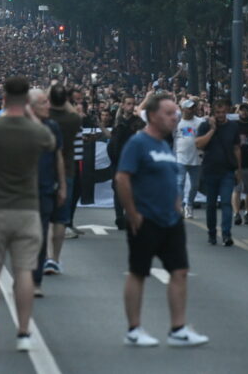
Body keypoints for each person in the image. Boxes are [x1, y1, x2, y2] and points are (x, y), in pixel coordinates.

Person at [115, 93, 209, 348]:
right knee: (138, 272)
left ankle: (178, 329)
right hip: (145, 219)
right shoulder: (138, 143)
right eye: (168, 113)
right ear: (153, 116)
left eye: (175, 113)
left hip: (170, 221)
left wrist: (177, 207)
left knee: (179, 271)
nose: (174, 117)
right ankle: (134, 329)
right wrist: (132, 212)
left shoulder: (165, 145)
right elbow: (122, 178)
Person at [0, 76, 55, 353]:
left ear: (4, 98)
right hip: (26, 207)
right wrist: (30, 116)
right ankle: (23, 332)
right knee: (24, 271)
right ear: (27, 101)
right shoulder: (36, 132)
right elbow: (50, 142)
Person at [28, 88, 67, 298]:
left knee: (41, 234)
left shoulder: (52, 126)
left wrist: (62, 185)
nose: (48, 106)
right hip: (20, 191)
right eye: (43, 102)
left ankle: (35, 280)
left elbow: (58, 156)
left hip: (44, 188)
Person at [44, 84, 81, 275]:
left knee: (44, 216)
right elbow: (74, 112)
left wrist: (50, 90)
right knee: (60, 218)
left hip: (44, 169)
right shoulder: (73, 120)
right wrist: (65, 97)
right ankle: (55, 259)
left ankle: (45, 256)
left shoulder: (44, 118)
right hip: (66, 171)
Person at [195, 98, 240, 246]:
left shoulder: (233, 126)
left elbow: (236, 148)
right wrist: (212, 130)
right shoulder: (205, 125)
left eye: (223, 112)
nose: (220, 115)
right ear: (213, 113)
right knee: (211, 204)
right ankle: (212, 233)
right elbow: (199, 144)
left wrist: (238, 169)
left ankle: (226, 234)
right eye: (217, 112)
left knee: (226, 202)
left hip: (227, 170)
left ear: (227, 111)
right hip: (210, 170)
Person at [109, 94, 145, 228]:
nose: (131, 106)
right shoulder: (117, 122)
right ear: (123, 105)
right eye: (128, 103)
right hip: (118, 161)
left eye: (133, 104)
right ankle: (119, 216)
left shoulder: (138, 122)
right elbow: (113, 142)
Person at [174, 98, 204, 220]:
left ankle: (189, 204)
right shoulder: (176, 122)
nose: (191, 110)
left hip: (196, 158)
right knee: (180, 182)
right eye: (189, 108)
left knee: (195, 185)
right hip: (180, 157)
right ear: (183, 109)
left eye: (193, 108)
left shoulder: (200, 122)